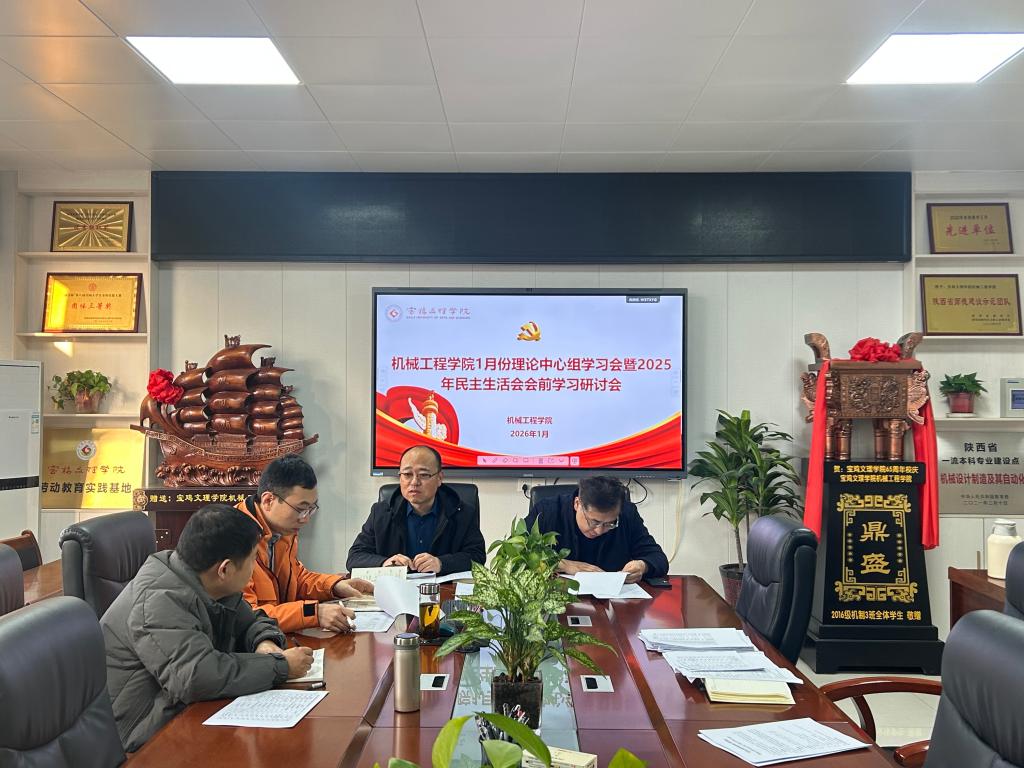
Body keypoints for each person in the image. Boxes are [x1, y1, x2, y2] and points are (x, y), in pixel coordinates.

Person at [101, 503, 314, 753]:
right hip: (146, 737)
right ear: (225, 569)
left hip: (187, 712)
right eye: (252, 561)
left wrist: (263, 643)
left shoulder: (204, 577)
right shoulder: (159, 600)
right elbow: (197, 677)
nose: (253, 570)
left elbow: (252, 620)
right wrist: (281, 667)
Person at [237, 455, 373, 633]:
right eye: (301, 509)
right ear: (268, 500)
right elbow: (248, 617)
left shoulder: (282, 530)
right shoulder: (233, 539)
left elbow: (297, 579)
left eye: (311, 509)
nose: (306, 519)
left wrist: (334, 586)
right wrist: (313, 613)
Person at [347, 445, 486, 576]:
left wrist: (441, 563)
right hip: (396, 589)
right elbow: (355, 557)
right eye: (407, 474)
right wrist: (385, 562)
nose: (414, 482)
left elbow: (477, 557)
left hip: (443, 589)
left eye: (423, 475)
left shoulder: (462, 513)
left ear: (439, 478)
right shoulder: (381, 512)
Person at [524, 476, 669, 583]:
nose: (599, 531)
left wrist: (642, 566)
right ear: (577, 504)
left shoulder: (627, 514)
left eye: (610, 523)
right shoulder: (547, 512)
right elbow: (516, 556)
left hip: (612, 602)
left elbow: (658, 558)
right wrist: (563, 564)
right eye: (594, 522)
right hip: (556, 598)